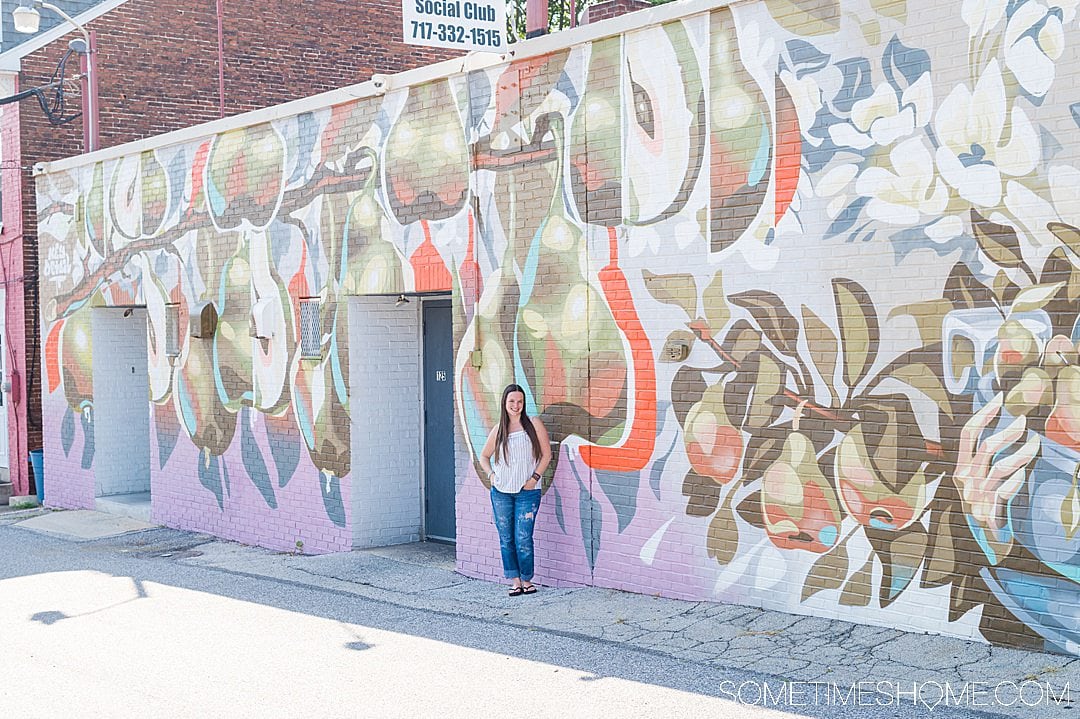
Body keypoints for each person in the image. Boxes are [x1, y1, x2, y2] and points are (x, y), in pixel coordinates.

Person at [479, 383, 552, 596]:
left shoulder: (533, 424)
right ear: (504, 403)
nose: (516, 405)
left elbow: (546, 455)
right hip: (501, 492)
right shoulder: (499, 429)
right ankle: (515, 581)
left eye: (519, 401)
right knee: (506, 538)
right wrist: (492, 475)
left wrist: (534, 478)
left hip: (527, 492)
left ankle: (528, 579)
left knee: (523, 537)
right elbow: (484, 456)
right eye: (511, 401)